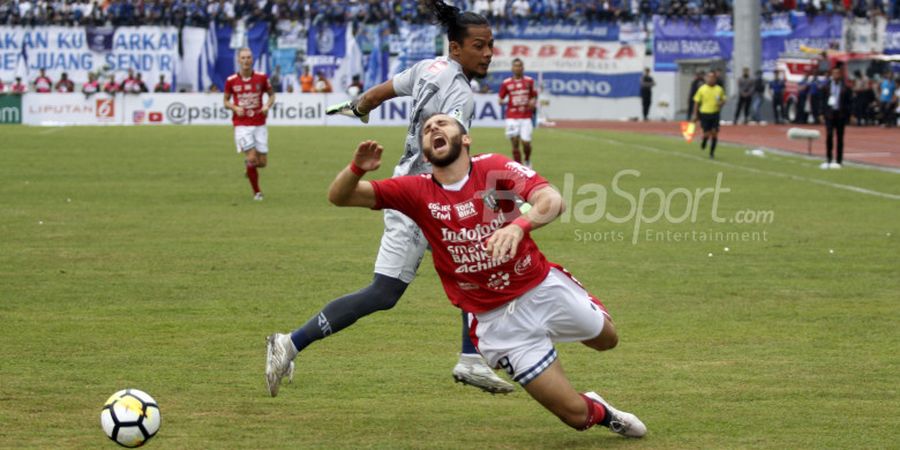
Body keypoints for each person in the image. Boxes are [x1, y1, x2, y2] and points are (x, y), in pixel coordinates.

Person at [318, 113, 648, 437]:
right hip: (498, 322)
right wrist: (357, 168)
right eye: (427, 128)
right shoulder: (415, 190)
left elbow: (552, 199)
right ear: (424, 149)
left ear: (465, 139)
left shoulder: (493, 166)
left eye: (443, 123)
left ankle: (581, 302)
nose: (433, 127)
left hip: (542, 289)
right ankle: (606, 413)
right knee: (576, 417)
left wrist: (519, 226)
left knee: (607, 341)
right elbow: (340, 196)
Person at [266, 0, 512, 398]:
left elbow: (381, 93)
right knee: (464, 266)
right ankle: (470, 359)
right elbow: (446, 148)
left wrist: (357, 106)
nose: (487, 54)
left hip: (410, 188)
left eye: (490, 45)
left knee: (413, 282)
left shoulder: (427, 68)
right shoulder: (460, 95)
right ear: (455, 48)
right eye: (479, 46)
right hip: (426, 193)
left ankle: (290, 343)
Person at [223, 47, 275, 201]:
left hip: (259, 123)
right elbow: (225, 101)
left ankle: (249, 166)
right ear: (239, 60)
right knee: (252, 157)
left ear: (252, 60)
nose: (246, 60)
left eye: (249, 57)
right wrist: (234, 107)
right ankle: (257, 193)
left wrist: (266, 105)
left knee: (262, 163)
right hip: (242, 124)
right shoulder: (231, 80)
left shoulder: (262, 78)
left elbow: (272, 96)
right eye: (243, 58)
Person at [499, 58, 537, 167]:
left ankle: (527, 159)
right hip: (512, 116)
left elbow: (534, 95)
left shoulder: (529, 81)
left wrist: (532, 101)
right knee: (515, 142)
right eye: (515, 66)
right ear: (512, 68)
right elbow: (500, 99)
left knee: (526, 143)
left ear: (523, 68)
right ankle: (519, 166)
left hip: (525, 116)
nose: (518, 68)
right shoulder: (506, 83)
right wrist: (507, 101)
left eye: (519, 66)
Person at [818, 66, 852, 170]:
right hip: (830, 114)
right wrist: (821, 113)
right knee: (829, 136)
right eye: (834, 73)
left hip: (840, 114)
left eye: (838, 73)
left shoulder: (845, 88)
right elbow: (822, 101)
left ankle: (839, 160)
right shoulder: (827, 87)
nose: (836, 75)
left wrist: (850, 114)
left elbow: (849, 102)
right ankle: (828, 158)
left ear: (840, 75)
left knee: (840, 138)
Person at [692, 71, 726, 159]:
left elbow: (724, 99)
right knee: (707, 134)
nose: (711, 79)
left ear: (715, 79)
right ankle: (704, 141)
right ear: (706, 78)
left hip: (715, 113)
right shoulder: (702, 89)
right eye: (709, 77)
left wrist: (721, 103)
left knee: (714, 133)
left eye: (713, 77)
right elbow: (696, 102)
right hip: (705, 113)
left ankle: (712, 153)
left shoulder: (719, 89)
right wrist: (695, 114)